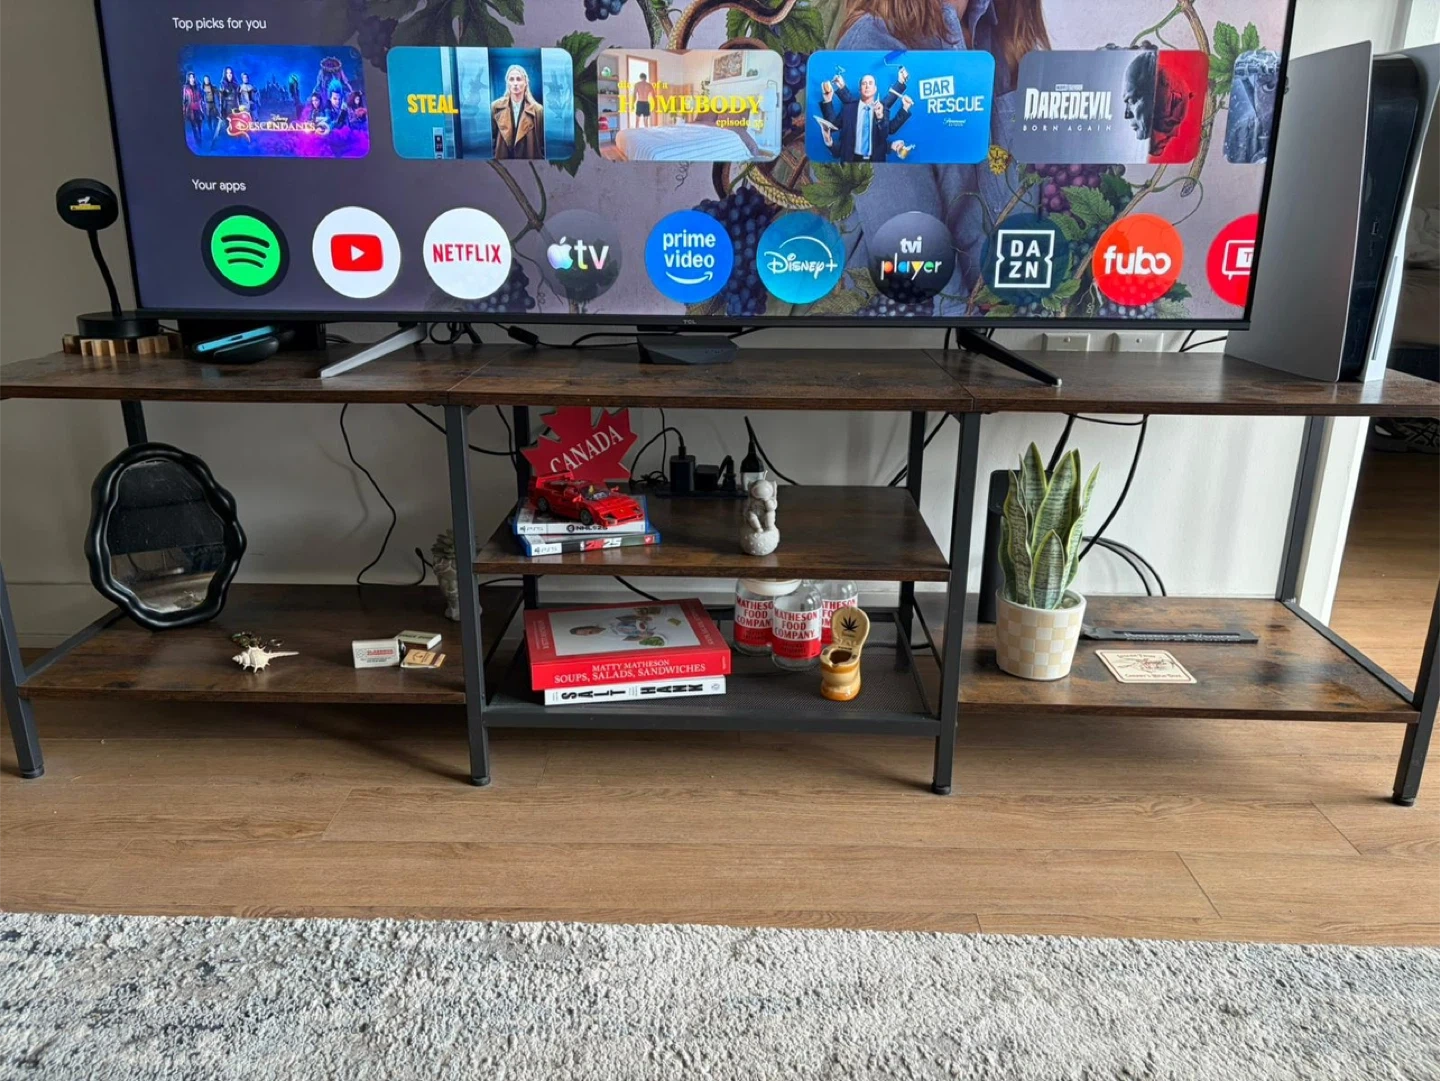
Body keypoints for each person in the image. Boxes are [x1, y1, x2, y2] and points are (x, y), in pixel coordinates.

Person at [833, 0, 1052, 311]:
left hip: (1012, 311)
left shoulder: (1003, 29)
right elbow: (915, 268)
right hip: (924, 327)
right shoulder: (871, 53)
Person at [818, 67, 912, 163]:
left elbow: (889, 126)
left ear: (875, 89)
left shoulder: (881, 108)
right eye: (864, 83)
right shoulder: (849, 108)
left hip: (876, 161)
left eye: (870, 83)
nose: (867, 86)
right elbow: (833, 126)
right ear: (860, 89)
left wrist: (901, 85)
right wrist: (828, 100)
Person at [492, 64, 546, 160]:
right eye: (511, 79)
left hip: (528, 162)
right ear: (507, 83)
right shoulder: (496, 107)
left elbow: (542, 142)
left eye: (519, 79)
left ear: (526, 82)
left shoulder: (538, 110)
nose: (515, 83)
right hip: (502, 161)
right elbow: (491, 139)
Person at [182, 72, 205, 146]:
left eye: (193, 77)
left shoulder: (198, 86)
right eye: (190, 77)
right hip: (191, 110)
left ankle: (200, 139)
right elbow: (184, 100)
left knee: (199, 126)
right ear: (188, 79)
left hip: (198, 108)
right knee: (194, 127)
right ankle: (198, 142)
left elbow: (202, 97)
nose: (192, 79)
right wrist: (184, 111)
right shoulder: (186, 88)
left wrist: (202, 104)